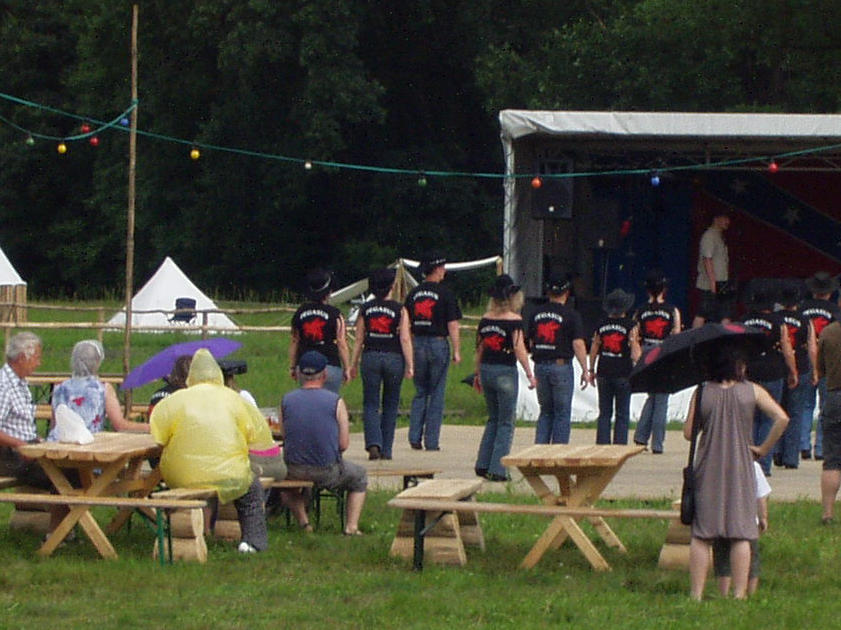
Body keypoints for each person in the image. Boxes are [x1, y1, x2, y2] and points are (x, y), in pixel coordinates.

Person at [684, 338, 788, 601]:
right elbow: (782, 418)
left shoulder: (702, 392)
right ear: (739, 365)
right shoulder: (752, 391)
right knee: (741, 532)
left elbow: (688, 433)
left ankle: (696, 594)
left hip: (708, 466)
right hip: (741, 465)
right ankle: (739, 595)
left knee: (702, 534)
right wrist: (763, 448)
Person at [150, 349, 270, 554]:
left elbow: (158, 437)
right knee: (251, 490)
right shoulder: (235, 399)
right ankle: (253, 542)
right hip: (229, 474)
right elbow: (257, 436)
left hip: (182, 475)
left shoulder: (174, 400)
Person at [279, 351, 367, 535]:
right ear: (325, 375)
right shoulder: (336, 402)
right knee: (359, 476)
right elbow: (343, 444)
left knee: (284, 485)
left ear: (299, 374)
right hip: (326, 470)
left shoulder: (286, 400)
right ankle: (351, 527)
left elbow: (284, 435)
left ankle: (304, 522)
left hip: (293, 469)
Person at [473, 274, 536, 482]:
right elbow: (519, 348)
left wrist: (477, 373)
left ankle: (483, 463)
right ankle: (498, 469)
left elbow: (479, 349)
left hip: (487, 369)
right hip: (505, 370)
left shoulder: (485, 319)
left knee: (493, 418)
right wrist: (529, 373)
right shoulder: (514, 321)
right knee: (506, 422)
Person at [349, 267, 414, 460]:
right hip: (394, 357)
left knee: (370, 402)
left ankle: (373, 442)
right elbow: (405, 338)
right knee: (391, 404)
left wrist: (353, 364)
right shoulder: (400, 309)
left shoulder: (366, 309)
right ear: (391, 287)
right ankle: (387, 449)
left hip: (371, 356)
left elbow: (359, 339)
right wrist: (410, 364)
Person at [404, 251, 462, 451]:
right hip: (438, 343)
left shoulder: (413, 294)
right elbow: (452, 324)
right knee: (436, 392)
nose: (444, 271)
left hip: (417, 342)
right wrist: (456, 349)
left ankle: (414, 435)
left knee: (420, 391)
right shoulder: (445, 294)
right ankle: (432, 440)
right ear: (437, 269)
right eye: (442, 268)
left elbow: (406, 323)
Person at [740, 282, 797, 476]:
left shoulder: (744, 321)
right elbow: (787, 349)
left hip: (749, 372)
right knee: (769, 418)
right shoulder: (778, 322)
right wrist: (793, 371)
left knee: (750, 419)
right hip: (773, 371)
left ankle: (747, 461)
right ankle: (763, 464)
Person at [526, 273, 588, 444]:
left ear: (547, 292)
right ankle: (557, 451)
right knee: (562, 412)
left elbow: (530, 341)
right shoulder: (571, 315)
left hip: (540, 365)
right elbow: (578, 343)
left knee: (545, 412)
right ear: (567, 293)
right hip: (561, 366)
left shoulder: (535, 313)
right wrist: (585, 369)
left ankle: (540, 451)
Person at [48, 340, 149, 439]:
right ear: (97, 363)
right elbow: (120, 425)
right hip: (87, 442)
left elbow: (54, 424)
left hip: (57, 441)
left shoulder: (59, 388)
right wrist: (149, 427)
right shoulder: (102, 389)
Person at [633, 270, 681, 453]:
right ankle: (657, 443)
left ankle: (641, 436)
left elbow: (635, 333)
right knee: (661, 399)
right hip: (664, 351)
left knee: (652, 395)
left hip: (647, 351)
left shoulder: (641, 311)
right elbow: (676, 334)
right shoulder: (672, 310)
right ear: (664, 289)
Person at [588, 289, 641, 445]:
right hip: (623, 371)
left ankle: (602, 443)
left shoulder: (601, 324)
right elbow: (635, 354)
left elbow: (594, 347)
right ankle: (619, 446)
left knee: (604, 412)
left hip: (604, 370)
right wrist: (634, 345)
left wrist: (591, 369)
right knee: (622, 413)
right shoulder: (630, 325)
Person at [0, 332, 52, 489]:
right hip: (9, 455)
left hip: (23, 450)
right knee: (64, 475)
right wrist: (21, 446)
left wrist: (35, 440)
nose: (39, 363)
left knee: (70, 469)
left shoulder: (20, 383)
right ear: (22, 358)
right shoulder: (4, 386)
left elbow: (19, 425)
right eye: (36, 358)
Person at [713, 461, 771, 598]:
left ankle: (723, 592)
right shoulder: (753, 466)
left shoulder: (718, 464)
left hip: (722, 519)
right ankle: (749, 591)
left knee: (723, 557)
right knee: (752, 558)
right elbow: (761, 496)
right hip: (748, 521)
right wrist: (763, 516)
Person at [800, 271, 841, 460]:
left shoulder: (802, 308)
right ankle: (821, 448)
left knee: (805, 404)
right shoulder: (834, 311)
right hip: (828, 360)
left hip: (803, 358)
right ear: (830, 292)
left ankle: (803, 444)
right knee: (826, 405)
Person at [289, 268, 351, 393]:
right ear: (328, 291)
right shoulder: (335, 314)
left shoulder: (300, 312)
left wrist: (292, 366)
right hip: (330, 364)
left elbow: (295, 341)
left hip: (304, 365)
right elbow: (341, 343)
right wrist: (347, 368)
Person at [777, 282, 816, 469]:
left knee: (777, 411)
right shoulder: (804, 320)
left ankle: (776, 451)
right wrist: (815, 370)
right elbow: (812, 347)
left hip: (778, 368)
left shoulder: (776, 319)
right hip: (800, 367)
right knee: (795, 413)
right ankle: (791, 457)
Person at [817, 318, 841, 525]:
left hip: (835, 396)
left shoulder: (829, 332)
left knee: (832, 460)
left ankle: (828, 514)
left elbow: (820, 367)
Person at [692, 209, 732, 328]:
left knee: (725, 313)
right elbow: (707, 259)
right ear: (716, 219)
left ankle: (725, 336)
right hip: (709, 283)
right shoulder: (709, 236)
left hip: (722, 282)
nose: (727, 222)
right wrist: (712, 282)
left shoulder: (719, 236)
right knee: (703, 312)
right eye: (724, 218)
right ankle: (694, 337)